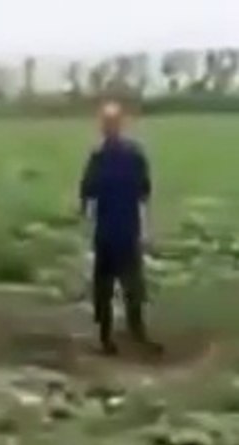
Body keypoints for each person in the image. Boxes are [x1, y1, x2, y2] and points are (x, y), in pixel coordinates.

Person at [80, 101, 161, 355]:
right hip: (126, 229)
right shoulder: (134, 154)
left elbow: (87, 191)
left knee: (104, 288)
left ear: (104, 128)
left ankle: (106, 337)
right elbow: (144, 191)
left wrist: (85, 212)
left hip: (107, 231)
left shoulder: (99, 157)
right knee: (131, 284)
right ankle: (136, 331)